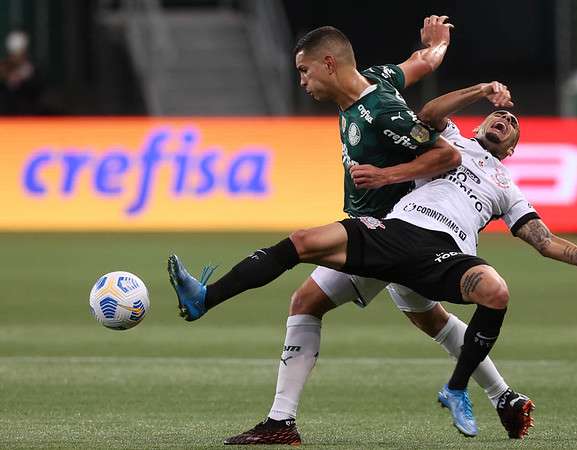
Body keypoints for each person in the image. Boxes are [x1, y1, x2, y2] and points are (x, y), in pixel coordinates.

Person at [168, 84, 577, 440]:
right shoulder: (449, 141)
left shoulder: (507, 188)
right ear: (481, 123)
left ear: (512, 149)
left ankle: (488, 393)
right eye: (498, 117)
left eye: (512, 128)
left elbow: (547, 242)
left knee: (455, 315)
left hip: (442, 255)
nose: (504, 122)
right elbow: (428, 111)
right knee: (306, 283)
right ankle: (270, 404)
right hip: (394, 232)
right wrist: (482, 90)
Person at [174, 17, 530, 445]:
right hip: (406, 237)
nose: (302, 81)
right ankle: (505, 397)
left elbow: (446, 156)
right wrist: (437, 47)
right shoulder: (376, 79)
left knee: (305, 296)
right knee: (431, 318)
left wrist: (384, 176)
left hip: (390, 234)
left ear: (328, 64)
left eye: (304, 71)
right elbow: (419, 63)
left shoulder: (382, 112)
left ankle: (278, 418)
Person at [0, 29, 42, 115]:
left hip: (27, 118)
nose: (16, 56)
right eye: (14, 53)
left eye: (19, 51)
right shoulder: (3, 68)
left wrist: (23, 78)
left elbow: (37, 92)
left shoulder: (32, 70)